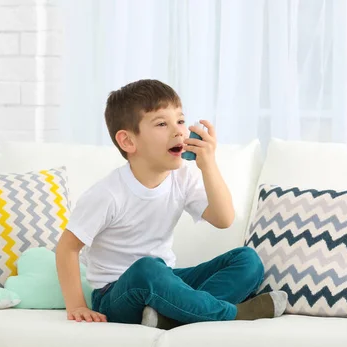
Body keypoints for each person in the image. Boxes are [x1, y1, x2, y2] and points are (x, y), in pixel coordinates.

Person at [55, 79, 287, 329]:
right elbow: (67, 248)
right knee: (147, 268)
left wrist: (208, 164)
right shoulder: (108, 193)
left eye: (180, 120)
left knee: (247, 260)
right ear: (128, 142)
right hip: (117, 295)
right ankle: (231, 314)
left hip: (165, 281)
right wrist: (77, 305)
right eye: (162, 124)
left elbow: (224, 219)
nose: (178, 131)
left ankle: (171, 316)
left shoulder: (183, 177)